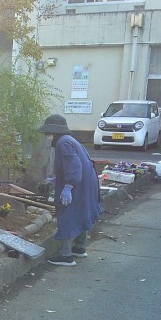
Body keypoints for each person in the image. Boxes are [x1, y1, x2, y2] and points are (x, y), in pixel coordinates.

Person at [39, 114, 103, 266]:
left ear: (53, 132)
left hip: (78, 183)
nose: (47, 137)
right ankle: (80, 247)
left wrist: (68, 186)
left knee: (68, 214)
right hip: (87, 182)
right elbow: (72, 165)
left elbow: (74, 166)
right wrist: (56, 180)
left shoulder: (63, 143)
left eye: (48, 133)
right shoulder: (69, 140)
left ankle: (65, 255)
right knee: (81, 211)